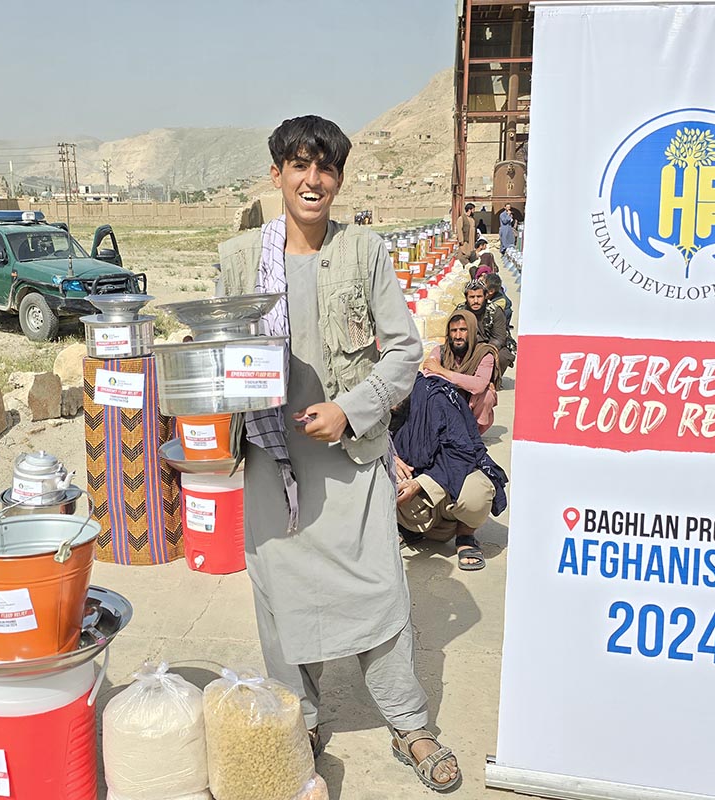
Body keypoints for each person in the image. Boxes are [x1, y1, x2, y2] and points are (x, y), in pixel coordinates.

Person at [217, 115, 462, 793]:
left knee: (380, 593)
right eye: (299, 165)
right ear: (277, 175)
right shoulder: (238, 258)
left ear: (339, 179)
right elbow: (218, 355)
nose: (313, 180)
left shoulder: (365, 252)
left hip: (351, 461)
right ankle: (304, 718)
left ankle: (410, 725)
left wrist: (349, 410)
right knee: (281, 602)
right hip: (274, 462)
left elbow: (406, 350)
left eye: (325, 168)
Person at [392, 372, 508, 570]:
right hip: (414, 507)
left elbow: (461, 453)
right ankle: (410, 529)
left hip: (446, 496)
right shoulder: (375, 403)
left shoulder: (437, 399)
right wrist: (389, 457)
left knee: (477, 492)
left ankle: (465, 535)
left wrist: (421, 484)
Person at [421, 309, 499, 434]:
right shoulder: (439, 351)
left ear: (472, 331)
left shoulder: (484, 354)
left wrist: (442, 371)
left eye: (463, 330)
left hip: (470, 407)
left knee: (487, 394)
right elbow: (428, 374)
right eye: (453, 331)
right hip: (447, 406)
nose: (458, 336)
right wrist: (466, 382)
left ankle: (473, 433)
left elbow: (479, 386)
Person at [458, 280, 515, 374]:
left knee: (503, 356)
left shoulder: (495, 311)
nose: (475, 301)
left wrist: (482, 352)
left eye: (479, 297)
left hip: (491, 346)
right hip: (468, 345)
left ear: (485, 296)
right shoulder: (461, 311)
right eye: (472, 297)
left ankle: (493, 379)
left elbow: (499, 338)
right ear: (466, 298)